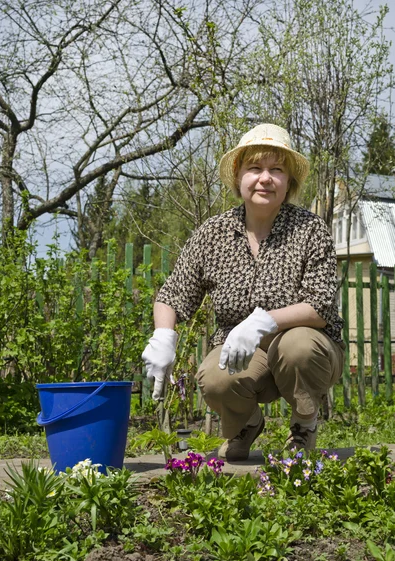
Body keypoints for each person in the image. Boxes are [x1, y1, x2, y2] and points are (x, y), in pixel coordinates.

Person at [142, 123, 344, 460]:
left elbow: (321, 307)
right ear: (238, 176)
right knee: (215, 378)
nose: (265, 178)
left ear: (289, 180)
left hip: (307, 350)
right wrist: (164, 335)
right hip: (244, 356)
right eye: (255, 168)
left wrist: (263, 321)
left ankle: (304, 425)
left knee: (297, 346)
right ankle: (248, 423)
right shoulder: (214, 234)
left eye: (276, 170)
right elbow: (173, 294)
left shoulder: (310, 229)